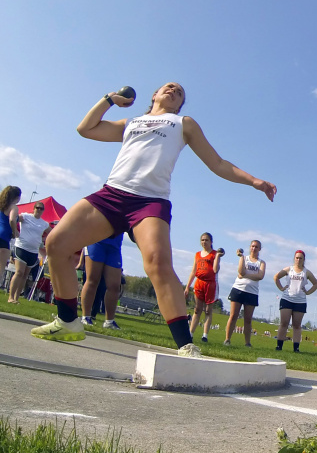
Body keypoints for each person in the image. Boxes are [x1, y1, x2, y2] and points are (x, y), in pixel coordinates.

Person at [32, 83, 276, 357]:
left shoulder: (182, 123)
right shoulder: (132, 122)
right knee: (56, 243)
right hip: (112, 193)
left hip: (149, 202)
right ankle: (68, 321)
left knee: (158, 264)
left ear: (179, 104)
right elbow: (86, 129)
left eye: (180, 92)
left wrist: (254, 181)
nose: (174, 90)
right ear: (155, 95)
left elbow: (218, 164)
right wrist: (109, 99)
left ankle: (186, 345)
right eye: (168, 87)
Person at [272, 250, 317, 353]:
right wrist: (281, 288)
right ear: (294, 258)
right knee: (284, 323)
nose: (298, 260)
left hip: (300, 301)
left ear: (304, 260)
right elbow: (276, 277)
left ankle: (296, 347)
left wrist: (308, 292)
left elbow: (316, 284)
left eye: (300, 258)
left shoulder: (306, 272)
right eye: (297, 257)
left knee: (297, 325)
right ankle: (279, 345)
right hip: (287, 298)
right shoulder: (289, 269)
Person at [9, 201, 52, 304]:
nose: (39, 210)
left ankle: (16, 298)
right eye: (37, 208)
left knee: (25, 275)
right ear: (34, 208)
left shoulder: (44, 223)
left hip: (33, 251)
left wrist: (43, 241)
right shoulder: (25, 216)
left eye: (41, 209)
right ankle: (10, 297)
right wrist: (15, 231)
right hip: (21, 247)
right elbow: (13, 219)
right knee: (19, 272)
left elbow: (52, 233)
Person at [79, 233, 125, 329]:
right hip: (96, 242)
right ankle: (85, 317)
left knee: (114, 286)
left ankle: (109, 321)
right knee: (92, 280)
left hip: (114, 247)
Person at [224, 240, 265, 347]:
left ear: (260, 249)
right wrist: (241, 257)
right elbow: (240, 271)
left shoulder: (261, 262)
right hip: (238, 289)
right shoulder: (244, 258)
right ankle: (227, 339)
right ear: (250, 247)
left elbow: (260, 276)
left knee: (248, 319)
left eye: (256, 247)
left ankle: (247, 343)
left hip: (252, 292)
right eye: (252, 246)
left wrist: (246, 274)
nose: (254, 248)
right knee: (233, 316)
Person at [185, 233, 223, 343]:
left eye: (206, 240)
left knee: (207, 310)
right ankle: (190, 334)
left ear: (211, 242)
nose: (204, 242)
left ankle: (205, 335)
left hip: (210, 284)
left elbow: (215, 270)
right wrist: (187, 286)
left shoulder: (215, 254)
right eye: (202, 240)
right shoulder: (197, 254)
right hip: (199, 283)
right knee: (197, 309)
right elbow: (193, 271)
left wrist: (217, 257)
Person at [0, 186, 21, 282]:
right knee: (0, 269)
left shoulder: (1, 205)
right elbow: (12, 219)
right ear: (17, 197)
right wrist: (14, 231)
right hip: (3, 238)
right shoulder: (13, 207)